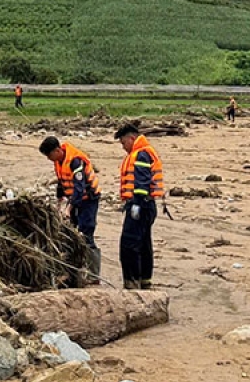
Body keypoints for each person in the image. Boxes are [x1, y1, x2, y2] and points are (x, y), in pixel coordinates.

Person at [40, 136, 102, 284]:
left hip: (88, 200)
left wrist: (68, 208)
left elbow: (80, 189)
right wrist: (59, 200)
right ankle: (74, 271)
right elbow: (62, 182)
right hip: (74, 199)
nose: (49, 159)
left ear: (57, 150)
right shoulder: (59, 162)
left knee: (86, 233)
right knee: (71, 233)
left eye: (49, 155)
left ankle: (94, 276)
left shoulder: (75, 161)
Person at [116, 123, 164, 290]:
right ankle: (145, 281)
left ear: (132, 138)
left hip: (141, 205)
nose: (123, 147)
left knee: (129, 245)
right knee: (144, 244)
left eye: (123, 143)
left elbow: (142, 181)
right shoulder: (143, 152)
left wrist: (136, 203)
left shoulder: (141, 155)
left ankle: (132, 282)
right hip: (147, 205)